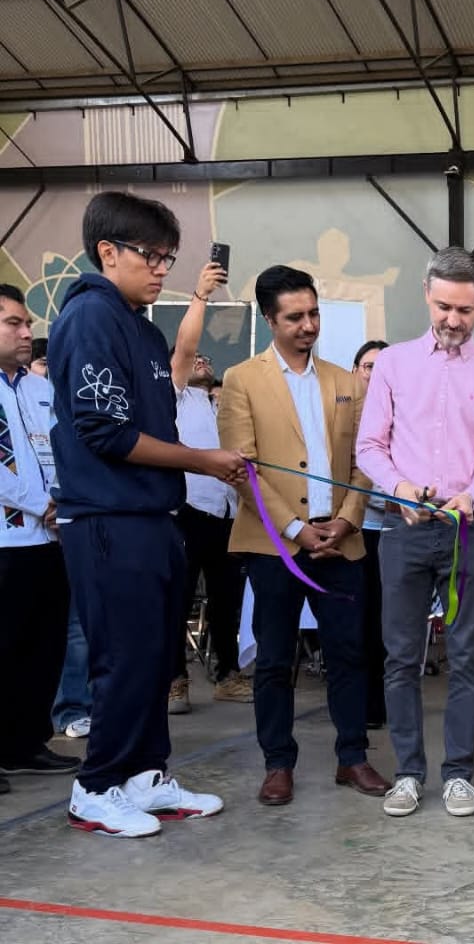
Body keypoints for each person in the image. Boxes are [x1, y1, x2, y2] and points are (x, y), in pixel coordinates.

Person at [50, 191, 244, 837]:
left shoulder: (141, 326)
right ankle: (95, 786)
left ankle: (143, 774)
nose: (161, 269)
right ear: (108, 251)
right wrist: (201, 460)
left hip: (155, 515)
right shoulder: (89, 318)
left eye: (168, 258)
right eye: (150, 256)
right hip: (109, 518)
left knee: (157, 657)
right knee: (124, 658)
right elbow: (105, 431)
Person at [219, 265, 389, 808]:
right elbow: (242, 469)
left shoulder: (347, 382)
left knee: (349, 653)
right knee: (274, 659)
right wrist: (294, 529)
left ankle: (352, 756)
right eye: (295, 317)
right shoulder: (241, 380)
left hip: (341, 541)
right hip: (275, 545)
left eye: (314, 313)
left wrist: (346, 520)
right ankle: (277, 763)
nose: (308, 325)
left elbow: (365, 461)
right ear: (270, 320)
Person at [356, 246, 474, 820]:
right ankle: (407, 773)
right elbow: (369, 447)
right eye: (444, 306)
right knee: (401, 657)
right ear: (426, 294)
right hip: (403, 529)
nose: (453, 320)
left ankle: (459, 774)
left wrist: (472, 495)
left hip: (468, 529)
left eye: (465, 311)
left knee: (469, 656)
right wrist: (399, 487)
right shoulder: (394, 365)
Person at [0, 284, 76, 795]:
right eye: (14, 323)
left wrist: (63, 499)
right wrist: (42, 503)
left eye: (28, 323)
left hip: (49, 541)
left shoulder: (39, 388)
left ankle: (24, 744)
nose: (28, 332)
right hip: (6, 540)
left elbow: (63, 449)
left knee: (42, 648)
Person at [168, 263, 252, 713]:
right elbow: (185, 349)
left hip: (227, 516)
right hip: (186, 512)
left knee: (226, 600)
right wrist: (200, 295)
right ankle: (175, 681)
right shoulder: (175, 396)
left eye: (207, 360)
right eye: (195, 359)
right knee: (178, 599)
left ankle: (227, 676)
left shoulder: (223, 405)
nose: (202, 361)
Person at [352, 338, 391, 729]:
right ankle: (357, 703)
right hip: (353, 532)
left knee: (385, 622)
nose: (376, 374)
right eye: (368, 367)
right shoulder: (342, 414)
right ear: (356, 372)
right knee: (356, 621)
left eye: (384, 367)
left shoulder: (404, 417)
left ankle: (378, 704)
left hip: (391, 534)